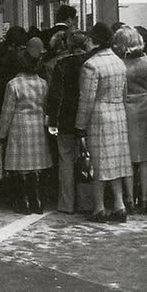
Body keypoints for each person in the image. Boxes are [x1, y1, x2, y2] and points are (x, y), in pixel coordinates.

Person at [75, 22, 132, 223]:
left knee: (97, 164)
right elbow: (125, 94)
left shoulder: (91, 65)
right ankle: (119, 206)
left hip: (99, 116)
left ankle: (98, 208)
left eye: (89, 39)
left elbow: (86, 99)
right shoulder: (119, 62)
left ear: (95, 41)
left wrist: (80, 125)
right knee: (116, 163)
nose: (87, 42)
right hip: (118, 113)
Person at [0, 43, 52, 215]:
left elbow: (7, 112)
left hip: (19, 126)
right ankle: (38, 200)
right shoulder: (43, 83)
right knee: (37, 166)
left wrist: (1, 134)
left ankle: (24, 201)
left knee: (22, 167)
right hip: (38, 126)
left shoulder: (13, 84)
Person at [112, 26, 147, 213]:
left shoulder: (118, 63)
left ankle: (129, 199)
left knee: (128, 157)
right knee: (145, 157)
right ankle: (145, 199)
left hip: (126, 107)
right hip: (146, 106)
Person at [47, 30, 92, 214]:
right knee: (86, 157)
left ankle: (66, 204)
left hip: (65, 117)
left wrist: (52, 119)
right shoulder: (90, 63)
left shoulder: (62, 65)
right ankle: (86, 203)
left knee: (65, 160)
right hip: (86, 117)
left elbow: (55, 95)